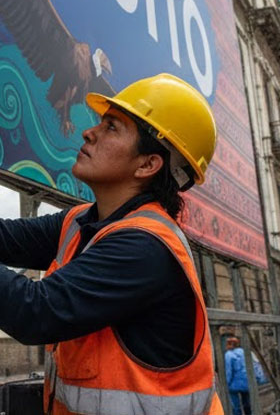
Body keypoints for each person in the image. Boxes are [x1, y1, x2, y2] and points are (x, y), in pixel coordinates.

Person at [0, 73, 223, 414]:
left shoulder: (145, 247)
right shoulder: (82, 221)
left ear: (147, 164)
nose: (89, 132)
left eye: (112, 127)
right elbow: (7, 239)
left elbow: (35, 312)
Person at [224, 336, 252, 415]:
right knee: (247, 403)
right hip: (245, 381)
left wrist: (227, 383)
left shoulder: (228, 355)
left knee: (236, 406)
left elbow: (229, 371)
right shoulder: (243, 352)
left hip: (234, 384)